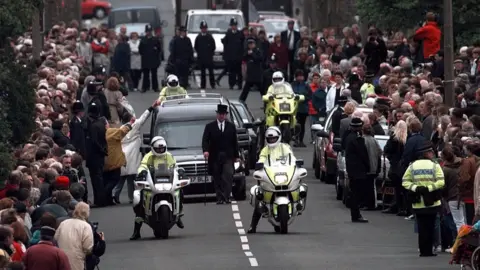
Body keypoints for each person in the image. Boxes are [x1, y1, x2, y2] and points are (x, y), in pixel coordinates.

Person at [130, 136, 181, 240]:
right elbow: (143, 165)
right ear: (153, 148)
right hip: (152, 181)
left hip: (167, 181)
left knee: (180, 190)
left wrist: (180, 171)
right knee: (139, 199)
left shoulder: (169, 156)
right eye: (158, 149)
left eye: (162, 148)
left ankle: (179, 214)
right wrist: (142, 172)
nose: (160, 150)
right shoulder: (148, 156)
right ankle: (136, 231)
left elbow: (175, 166)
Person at [247, 127, 296, 233]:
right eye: (270, 139)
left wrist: (296, 165)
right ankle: (253, 225)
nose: (272, 140)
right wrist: (259, 166)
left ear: (278, 138)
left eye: (274, 138)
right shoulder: (265, 150)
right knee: (259, 196)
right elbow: (261, 160)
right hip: (269, 177)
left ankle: (296, 203)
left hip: (284, 176)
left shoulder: (285, 147)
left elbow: (292, 159)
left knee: (297, 186)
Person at [402, 141, 445, 257]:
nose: (433, 154)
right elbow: (441, 181)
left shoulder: (412, 166)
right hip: (432, 201)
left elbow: (405, 182)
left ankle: (422, 250)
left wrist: (416, 188)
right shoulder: (434, 166)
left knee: (421, 228)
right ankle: (429, 251)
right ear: (426, 153)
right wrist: (429, 188)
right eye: (431, 152)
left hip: (418, 202)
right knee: (430, 227)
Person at [114, 100, 158, 204]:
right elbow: (144, 117)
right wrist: (152, 107)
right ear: (131, 119)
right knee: (131, 178)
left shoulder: (120, 129)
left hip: (123, 155)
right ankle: (131, 197)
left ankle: (115, 194)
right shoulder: (135, 126)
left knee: (122, 177)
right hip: (133, 155)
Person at [202, 104, 240, 204]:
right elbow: (205, 140)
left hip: (228, 156)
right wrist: (205, 151)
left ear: (226, 115)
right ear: (217, 115)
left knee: (228, 175)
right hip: (215, 156)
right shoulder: (210, 127)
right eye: (220, 114)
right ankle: (219, 198)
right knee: (217, 177)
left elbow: (234, 142)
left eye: (223, 114)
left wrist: (237, 156)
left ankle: (226, 196)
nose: (222, 116)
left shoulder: (231, 127)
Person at [344, 118, 370, 223]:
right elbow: (363, 155)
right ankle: (356, 214)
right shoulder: (357, 139)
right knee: (357, 193)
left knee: (354, 192)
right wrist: (368, 167)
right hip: (358, 170)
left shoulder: (348, 137)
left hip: (351, 169)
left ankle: (355, 214)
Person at [55, 202, 94, 270]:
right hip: (77, 259)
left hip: (61, 257)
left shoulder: (63, 223)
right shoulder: (86, 226)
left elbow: (55, 238)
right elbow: (87, 247)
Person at [84, 103, 108, 207]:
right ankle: (101, 199)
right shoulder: (101, 124)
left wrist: (100, 149)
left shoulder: (93, 126)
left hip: (94, 156)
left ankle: (99, 200)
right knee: (99, 178)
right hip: (100, 156)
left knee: (96, 179)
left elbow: (94, 141)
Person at [139, 24, 164, 92]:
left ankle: (155, 87)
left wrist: (157, 57)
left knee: (154, 74)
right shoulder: (143, 40)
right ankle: (145, 87)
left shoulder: (155, 40)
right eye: (147, 31)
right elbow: (140, 50)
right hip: (145, 59)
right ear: (146, 32)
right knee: (146, 75)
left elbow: (159, 49)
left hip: (153, 59)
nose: (149, 32)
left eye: (150, 31)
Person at [222, 17, 244, 90]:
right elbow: (225, 44)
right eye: (232, 25)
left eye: (235, 25)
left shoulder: (240, 34)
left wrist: (241, 55)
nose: (234, 26)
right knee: (231, 72)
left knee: (239, 72)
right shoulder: (228, 34)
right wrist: (226, 56)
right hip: (230, 57)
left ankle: (239, 84)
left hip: (238, 56)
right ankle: (231, 84)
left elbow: (242, 45)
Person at [239, 38, 264, 102]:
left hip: (257, 74)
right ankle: (241, 101)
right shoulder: (247, 51)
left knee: (262, 90)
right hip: (250, 74)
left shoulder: (258, 51)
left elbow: (259, 59)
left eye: (252, 44)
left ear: (254, 44)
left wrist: (252, 54)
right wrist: (247, 54)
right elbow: (243, 58)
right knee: (246, 90)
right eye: (249, 44)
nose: (250, 45)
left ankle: (266, 102)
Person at [291, 70, 311, 147]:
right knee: (295, 124)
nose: (300, 77)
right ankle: (295, 139)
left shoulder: (306, 85)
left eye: (301, 76)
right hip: (294, 108)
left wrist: (304, 98)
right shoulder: (292, 85)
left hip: (303, 108)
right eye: (298, 76)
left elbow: (309, 95)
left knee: (302, 125)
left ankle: (301, 140)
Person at [194, 20, 216, 89]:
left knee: (211, 72)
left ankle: (213, 84)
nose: (204, 29)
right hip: (201, 58)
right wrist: (200, 53)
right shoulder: (198, 37)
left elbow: (213, 46)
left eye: (205, 28)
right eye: (203, 28)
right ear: (201, 29)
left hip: (209, 57)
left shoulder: (210, 37)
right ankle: (203, 85)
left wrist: (210, 53)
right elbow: (196, 47)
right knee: (202, 73)